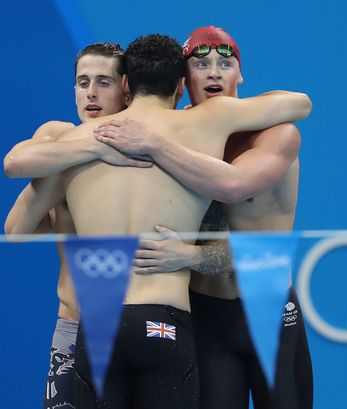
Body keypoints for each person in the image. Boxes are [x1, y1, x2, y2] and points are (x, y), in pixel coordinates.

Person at [18, 33, 310, 408]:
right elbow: (15, 167)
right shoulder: (183, 127)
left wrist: (152, 144)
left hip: (268, 309)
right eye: (201, 65)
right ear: (182, 83)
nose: (213, 73)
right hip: (200, 314)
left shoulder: (271, 132)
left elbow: (238, 180)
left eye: (225, 64)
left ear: (242, 74)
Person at [2, 42, 149, 409]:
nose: (92, 93)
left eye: (103, 81)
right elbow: (16, 219)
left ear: (126, 89)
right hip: (73, 326)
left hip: (134, 329)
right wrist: (94, 148)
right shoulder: (58, 135)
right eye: (83, 83)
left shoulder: (148, 141)